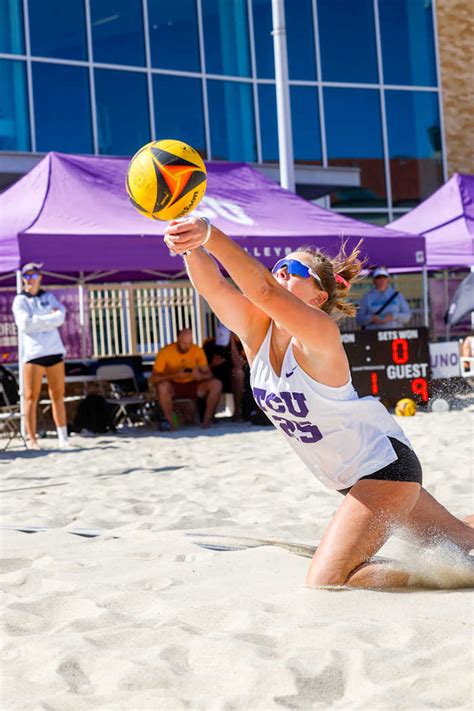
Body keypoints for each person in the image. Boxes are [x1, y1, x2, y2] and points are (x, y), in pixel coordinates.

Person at [163, 216, 474, 589]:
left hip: (383, 471)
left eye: (292, 269)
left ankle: (451, 575)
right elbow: (212, 286)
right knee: (461, 539)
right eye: (277, 267)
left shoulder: (319, 334)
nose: (279, 273)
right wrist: (188, 244)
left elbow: (263, 292)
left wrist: (210, 234)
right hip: (356, 477)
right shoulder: (255, 334)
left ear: (318, 297)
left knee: (328, 581)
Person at [12, 263, 70, 450]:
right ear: (23, 279)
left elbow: (61, 316)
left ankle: (63, 437)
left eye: (34, 275)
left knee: (58, 395)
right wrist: (48, 319)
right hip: (33, 353)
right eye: (27, 276)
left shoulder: (48, 296)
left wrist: (39, 319)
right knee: (30, 397)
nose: (31, 279)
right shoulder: (20, 300)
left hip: (53, 350)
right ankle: (32, 440)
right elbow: (25, 324)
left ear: (40, 277)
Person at [150, 328, 222, 429]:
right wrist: (175, 375)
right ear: (178, 339)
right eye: (184, 343)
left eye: (189, 343)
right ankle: (171, 424)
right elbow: (153, 378)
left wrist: (200, 375)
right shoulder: (165, 351)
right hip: (173, 386)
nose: (187, 346)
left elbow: (209, 375)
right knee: (162, 387)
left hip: (193, 384)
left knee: (216, 384)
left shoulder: (197, 350)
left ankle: (206, 422)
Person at [203, 323, 245, 420]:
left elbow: (239, 364)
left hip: (231, 378)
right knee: (209, 380)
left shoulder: (239, 344)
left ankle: (237, 411)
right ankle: (209, 415)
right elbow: (203, 369)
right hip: (213, 376)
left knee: (238, 373)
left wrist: (232, 343)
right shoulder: (209, 344)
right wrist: (213, 364)